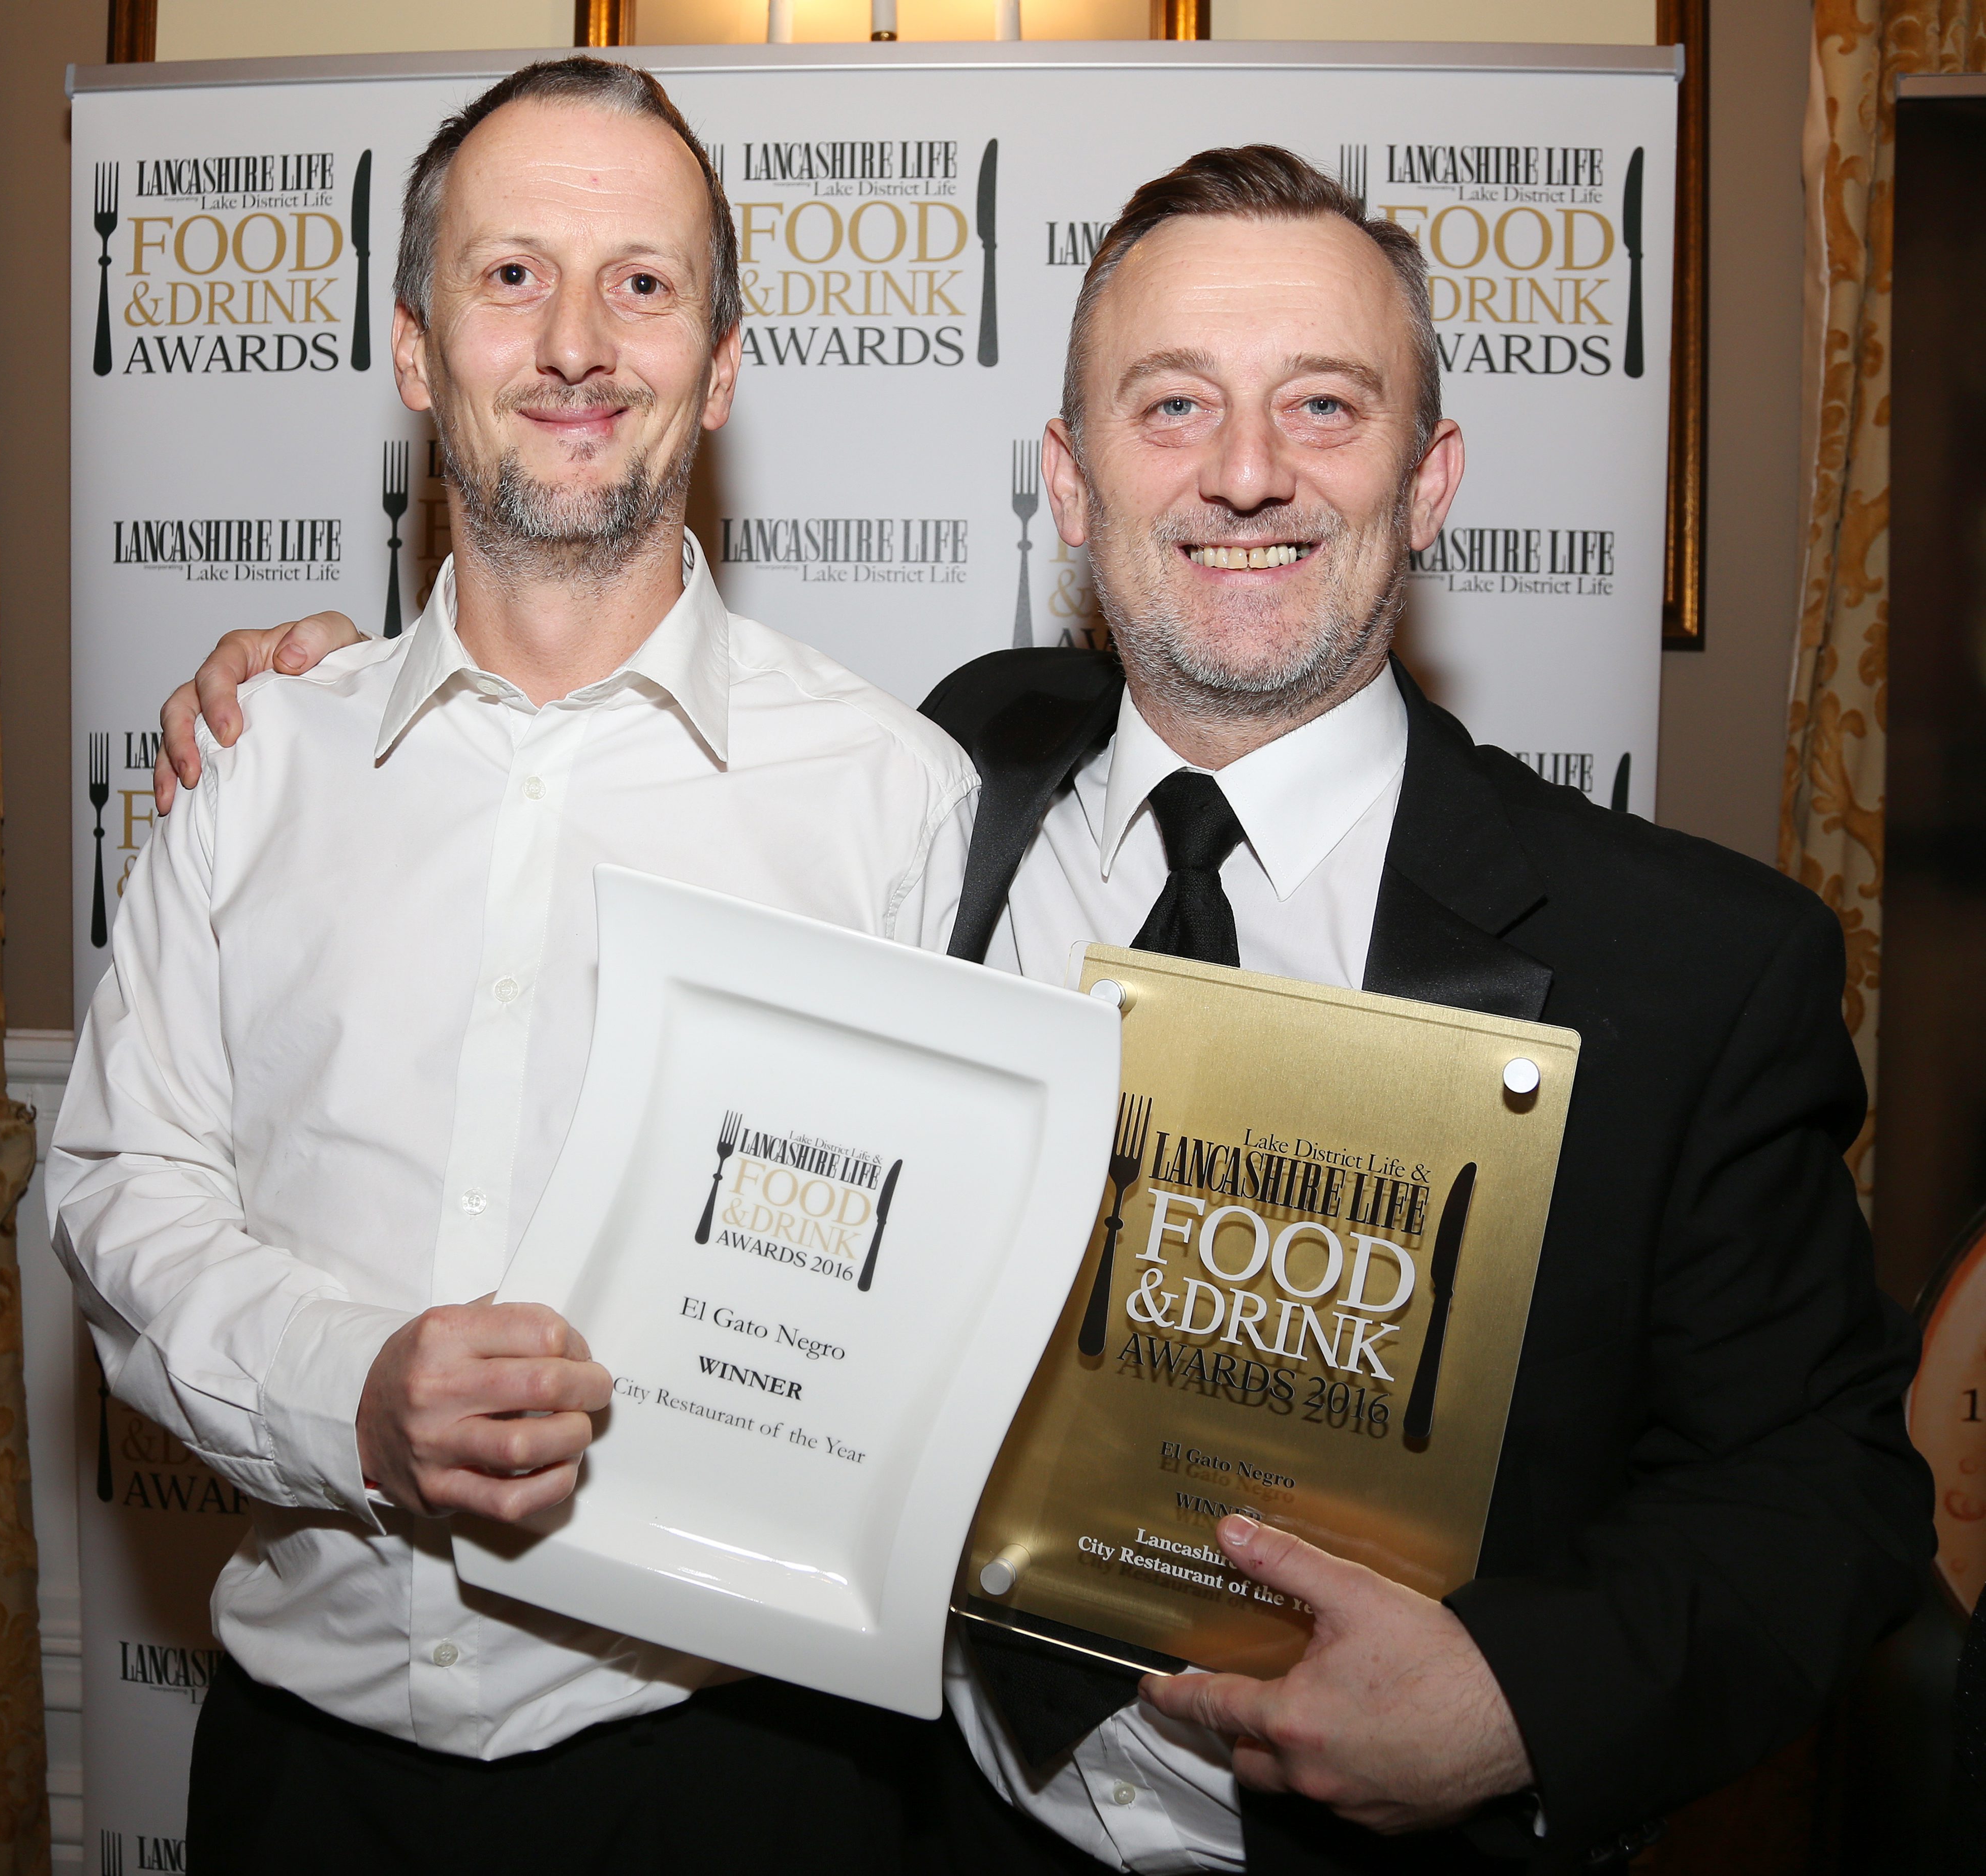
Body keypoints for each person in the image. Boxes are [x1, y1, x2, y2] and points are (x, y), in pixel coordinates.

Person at [150, 141, 1935, 1874]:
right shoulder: (947, 784)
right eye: (1171, 407)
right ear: (1072, 489)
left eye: (1323, 404)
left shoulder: (1691, 963)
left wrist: (1518, 1701)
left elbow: (1832, 1490)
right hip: (934, 1826)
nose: (1247, 474)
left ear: (1434, 473)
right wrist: (306, 692)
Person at [50, 57, 1065, 1876]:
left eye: (646, 282)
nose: (579, 341)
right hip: (307, 1789)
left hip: (739, 1783)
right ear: (415, 350)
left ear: (725, 363)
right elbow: (128, 1190)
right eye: (512, 273)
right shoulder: (254, 759)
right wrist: (351, 1389)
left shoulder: (890, 795)